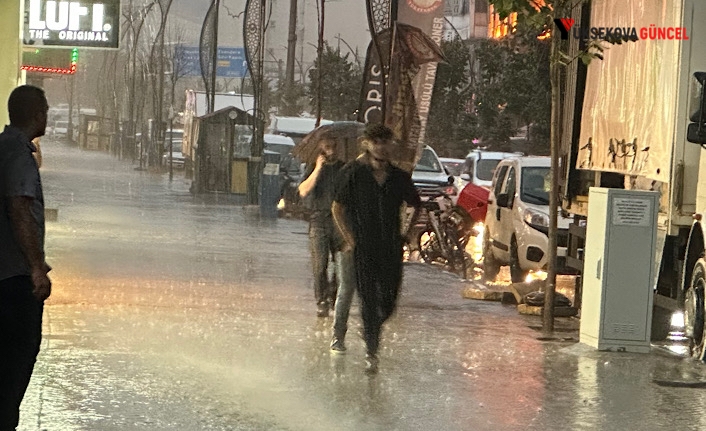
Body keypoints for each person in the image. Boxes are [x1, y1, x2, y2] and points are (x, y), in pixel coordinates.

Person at [332, 124, 421, 374]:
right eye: (377, 142)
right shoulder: (353, 173)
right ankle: (372, 352)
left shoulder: (399, 177)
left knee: (389, 300)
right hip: (363, 247)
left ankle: (372, 327)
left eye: (386, 142)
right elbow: (337, 208)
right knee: (368, 299)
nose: (382, 147)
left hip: (392, 246)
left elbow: (416, 204)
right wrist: (350, 239)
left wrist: (407, 233)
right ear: (367, 144)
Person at [0, 85, 52, 430]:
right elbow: (20, 209)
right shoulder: (19, 154)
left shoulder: (4, 147)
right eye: (45, 110)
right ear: (37, 114)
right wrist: (36, 268)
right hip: (14, 281)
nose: (47, 115)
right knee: (14, 365)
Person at [298, 139, 346, 318]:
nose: (331, 150)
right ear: (320, 149)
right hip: (318, 221)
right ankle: (321, 301)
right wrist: (318, 168)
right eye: (327, 147)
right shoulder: (313, 168)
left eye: (334, 146)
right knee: (320, 266)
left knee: (341, 268)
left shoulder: (344, 168)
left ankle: (333, 296)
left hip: (340, 222)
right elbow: (303, 190)